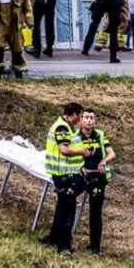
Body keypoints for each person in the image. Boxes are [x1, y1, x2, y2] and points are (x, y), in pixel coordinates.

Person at [41, 103, 90, 252]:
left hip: (67, 172)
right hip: (62, 174)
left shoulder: (68, 127)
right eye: (80, 116)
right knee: (68, 207)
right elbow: (64, 150)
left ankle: (54, 237)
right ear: (74, 114)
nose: (80, 119)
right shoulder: (62, 128)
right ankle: (64, 245)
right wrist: (82, 153)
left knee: (63, 205)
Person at [75, 109, 115, 255]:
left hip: (98, 177)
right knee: (67, 200)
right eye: (86, 117)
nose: (89, 120)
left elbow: (112, 153)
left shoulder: (100, 135)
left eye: (92, 118)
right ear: (81, 120)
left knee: (95, 212)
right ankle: (63, 238)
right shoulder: (76, 135)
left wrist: (104, 161)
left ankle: (95, 246)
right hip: (81, 174)